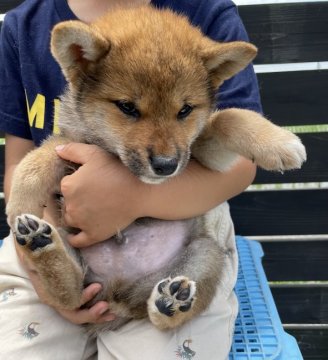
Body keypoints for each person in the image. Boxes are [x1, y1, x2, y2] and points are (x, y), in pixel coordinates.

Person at [0, 0, 262, 358]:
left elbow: (240, 164)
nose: (163, 152)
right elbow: (19, 165)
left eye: (183, 110)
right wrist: (38, 266)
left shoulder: (206, 13)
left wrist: (136, 198)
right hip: (57, 229)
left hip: (176, 245)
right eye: (129, 108)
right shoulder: (22, 28)